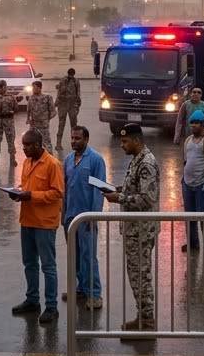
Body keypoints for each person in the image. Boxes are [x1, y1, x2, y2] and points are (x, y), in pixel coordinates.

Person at [104, 123, 160, 332]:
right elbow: (137, 188)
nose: (122, 145)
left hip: (141, 231)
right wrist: (120, 189)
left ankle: (147, 322)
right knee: (136, 275)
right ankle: (142, 317)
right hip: (134, 229)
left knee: (141, 277)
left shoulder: (146, 163)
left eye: (125, 141)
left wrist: (120, 198)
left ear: (137, 141)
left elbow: (147, 199)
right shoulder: (137, 160)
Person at [8, 130, 65, 324]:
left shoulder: (53, 164)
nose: (24, 149)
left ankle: (51, 306)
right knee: (30, 264)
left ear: (39, 144)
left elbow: (57, 193)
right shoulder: (27, 162)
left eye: (28, 145)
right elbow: (27, 187)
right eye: (23, 145)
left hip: (44, 224)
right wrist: (18, 193)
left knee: (48, 266)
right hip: (28, 221)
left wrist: (31, 195)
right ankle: (32, 300)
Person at [60, 125, 106, 307]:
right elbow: (65, 189)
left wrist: (93, 217)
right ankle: (81, 288)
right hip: (70, 217)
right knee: (75, 255)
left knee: (89, 256)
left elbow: (98, 189)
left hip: (86, 218)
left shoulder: (95, 160)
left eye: (77, 138)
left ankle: (95, 294)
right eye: (72, 138)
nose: (74, 141)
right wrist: (63, 215)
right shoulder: (69, 160)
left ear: (86, 140)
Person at [180, 109, 204, 253]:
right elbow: (185, 160)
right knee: (189, 216)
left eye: (196, 123)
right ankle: (192, 243)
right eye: (191, 123)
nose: (193, 126)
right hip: (187, 183)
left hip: (201, 183)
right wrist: (184, 179)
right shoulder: (188, 140)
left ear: (203, 125)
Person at [0, 79, 18, 167]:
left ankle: (12, 159)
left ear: (6, 86)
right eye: (0, 86)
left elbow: (16, 109)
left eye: (3, 86)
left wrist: (10, 112)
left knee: (11, 140)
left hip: (8, 121)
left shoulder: (11, 97)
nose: (1, 88)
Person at [54, 67, 82, 151]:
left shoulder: (76, 81)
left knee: (73, 125)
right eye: (70, 75)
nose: (71, 76)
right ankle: (58, 144)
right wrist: (57, 103)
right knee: (61, 124)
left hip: (72, 105)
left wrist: (77, 106)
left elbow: (78, 94)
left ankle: (74, 143)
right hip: (63, 105)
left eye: (72, 75)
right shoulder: (63, 80)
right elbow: (59, 93)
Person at [26, 80, 56, 146]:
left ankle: (49, 155)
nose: (33, 90)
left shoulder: (47, 97)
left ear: (40, 88)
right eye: (33, 88)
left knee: (46, 142)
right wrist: (28, 119)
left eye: (35, 88)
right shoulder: (31, 98)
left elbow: (53, 111)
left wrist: (47, 119)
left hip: (43, 125)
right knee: (32, 142)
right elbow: (28, 109)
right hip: (34, 124)